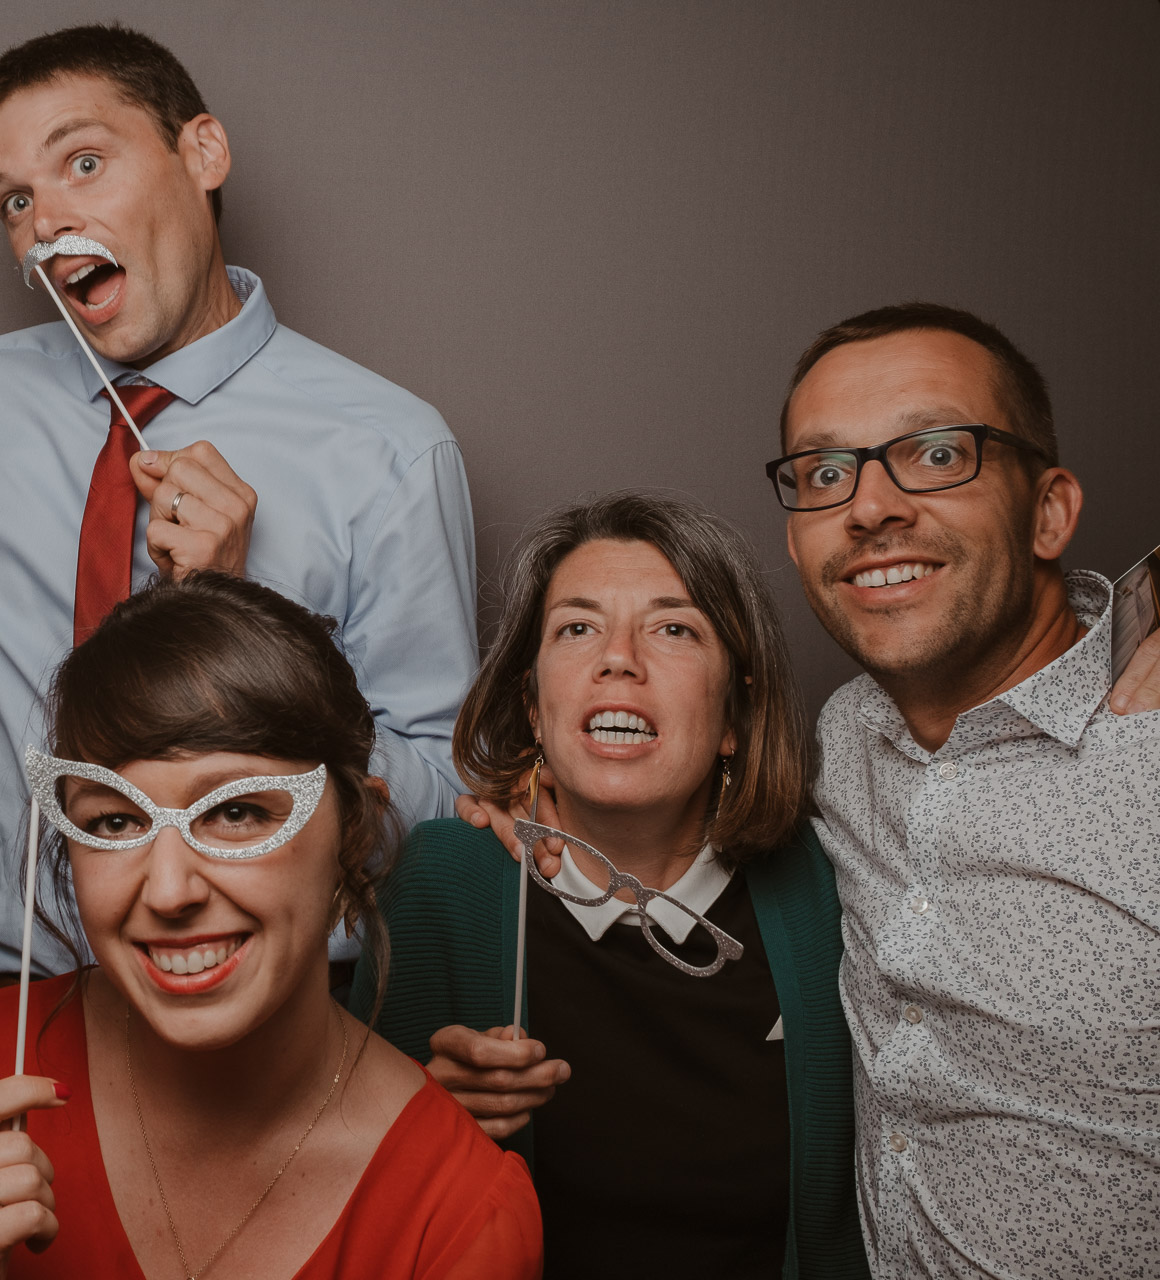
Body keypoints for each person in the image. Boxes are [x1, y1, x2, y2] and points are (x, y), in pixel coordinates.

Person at [0, 23, 482, 991]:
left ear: (202, 153)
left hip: (260, 991)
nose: (48, 221)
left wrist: (240, 618)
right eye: (14, 197)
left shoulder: (388, 447)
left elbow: (438, 807)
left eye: (83, 162)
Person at [0, 573, 540, 1280]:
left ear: (356, 830)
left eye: (237, 812)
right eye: (115, 820)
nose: (169, 889)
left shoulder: (457, 1212)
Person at [363, 492, 867, 1280]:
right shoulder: (442, 883)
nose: (618, 658)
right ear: (534, 707)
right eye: (577, 628)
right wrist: (419, 1124)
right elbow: (349, 1188)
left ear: (735, 714)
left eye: (673, 628)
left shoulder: (826, 883)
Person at [770, 303, 1160, 1276]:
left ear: (1048, 511)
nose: (867, 507)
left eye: (935, 452)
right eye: (824, 471)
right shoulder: (844, 732)